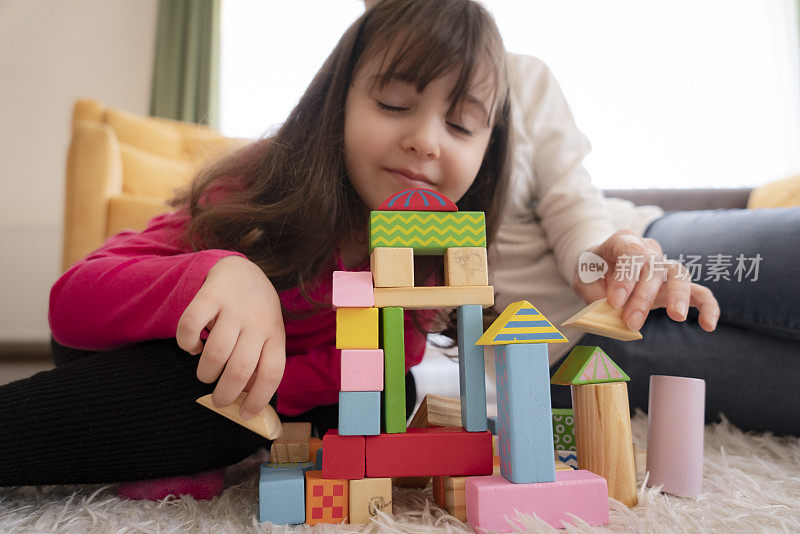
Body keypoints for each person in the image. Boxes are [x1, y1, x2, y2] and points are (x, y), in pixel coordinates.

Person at [0, 0, 512, 489]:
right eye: (394, 104)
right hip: (125, 337)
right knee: (210, 387)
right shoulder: (263, 189)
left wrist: (271, 383)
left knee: (383, 398)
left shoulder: (430, 252)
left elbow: (384, 359)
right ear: (338, 101)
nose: (426, 140)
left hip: (256, 380)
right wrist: (220, 273)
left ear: (489, 150)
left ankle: (185, 446)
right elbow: (71, 305)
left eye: (461, 125)